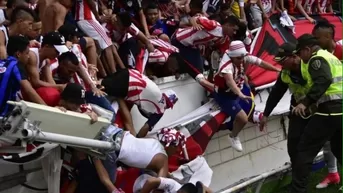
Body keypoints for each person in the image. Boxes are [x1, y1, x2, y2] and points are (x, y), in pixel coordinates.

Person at [213, 40, 280, 151]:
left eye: (242, 57)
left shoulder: (242, 56)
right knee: (243, 119)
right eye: (239, 59)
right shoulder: (226, 66)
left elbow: (261, 63)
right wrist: (240, 94)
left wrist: (276, 69)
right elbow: (230, 82)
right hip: (226, 94)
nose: (242, 60)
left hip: (240, 86)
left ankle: (239, 114)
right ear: (232, 57)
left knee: (248, 100)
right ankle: (233, 136)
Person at [171, 0, 240, 92]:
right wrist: (194, 22)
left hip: (191, 47)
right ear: (227, 25)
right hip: (179, 40)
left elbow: (225, 53)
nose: (234, 33)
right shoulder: (214, 25)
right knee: (189, 66)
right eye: (233, 29)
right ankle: (177, 70)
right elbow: (197, 17)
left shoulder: (224, 39)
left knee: (199, 70)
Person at [100, 68, 179, 138]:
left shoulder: (156, 91)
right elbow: (146, 127)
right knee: (97, 89)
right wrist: (138, 139)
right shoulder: (160, 109)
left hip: (128, 72)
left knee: (100, 83)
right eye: (168, 105)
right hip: (128, 85)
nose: (167, 107)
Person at [312, 19, 341, 189]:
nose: (316, 42)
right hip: (327, 105)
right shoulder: (318, 56)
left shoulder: (341, 52)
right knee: (329, 142)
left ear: (328, 36)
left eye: (318, 38)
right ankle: (333, 174)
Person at [0, 36, 45, 117]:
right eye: (27, 53)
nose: (28, 56)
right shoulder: (15, 65)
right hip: (2, 114)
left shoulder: (2, 62)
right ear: (18, 54)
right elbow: (29, 90)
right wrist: (47, 109)